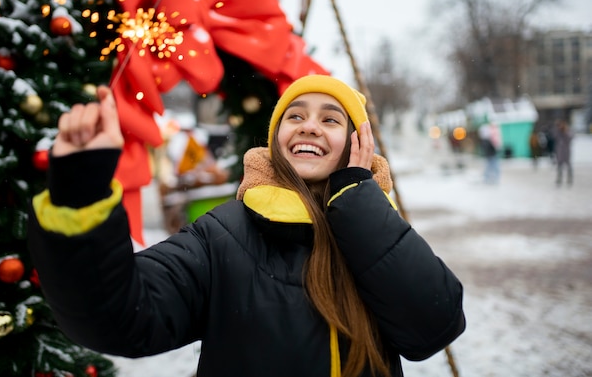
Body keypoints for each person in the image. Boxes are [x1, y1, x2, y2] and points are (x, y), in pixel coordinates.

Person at [28, 75, 466, 377]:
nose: (309, 125)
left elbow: (436, 326)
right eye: (295, 116)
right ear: (276, 139)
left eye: (330, 119)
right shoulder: (222, 234)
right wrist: (79, 190)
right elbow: (119, 317)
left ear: (357, 143)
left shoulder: (377, 227)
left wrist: (357, 195)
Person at [554, 119, 574, 186]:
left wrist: (565, 131)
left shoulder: (567, 131)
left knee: (568, 166)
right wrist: (558, 129)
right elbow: (554, 137)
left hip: (566, 152)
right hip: (559, 152)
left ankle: (569, 179)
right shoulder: (558, 132)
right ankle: (559, 179)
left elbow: (570, 138)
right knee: (559, 166)